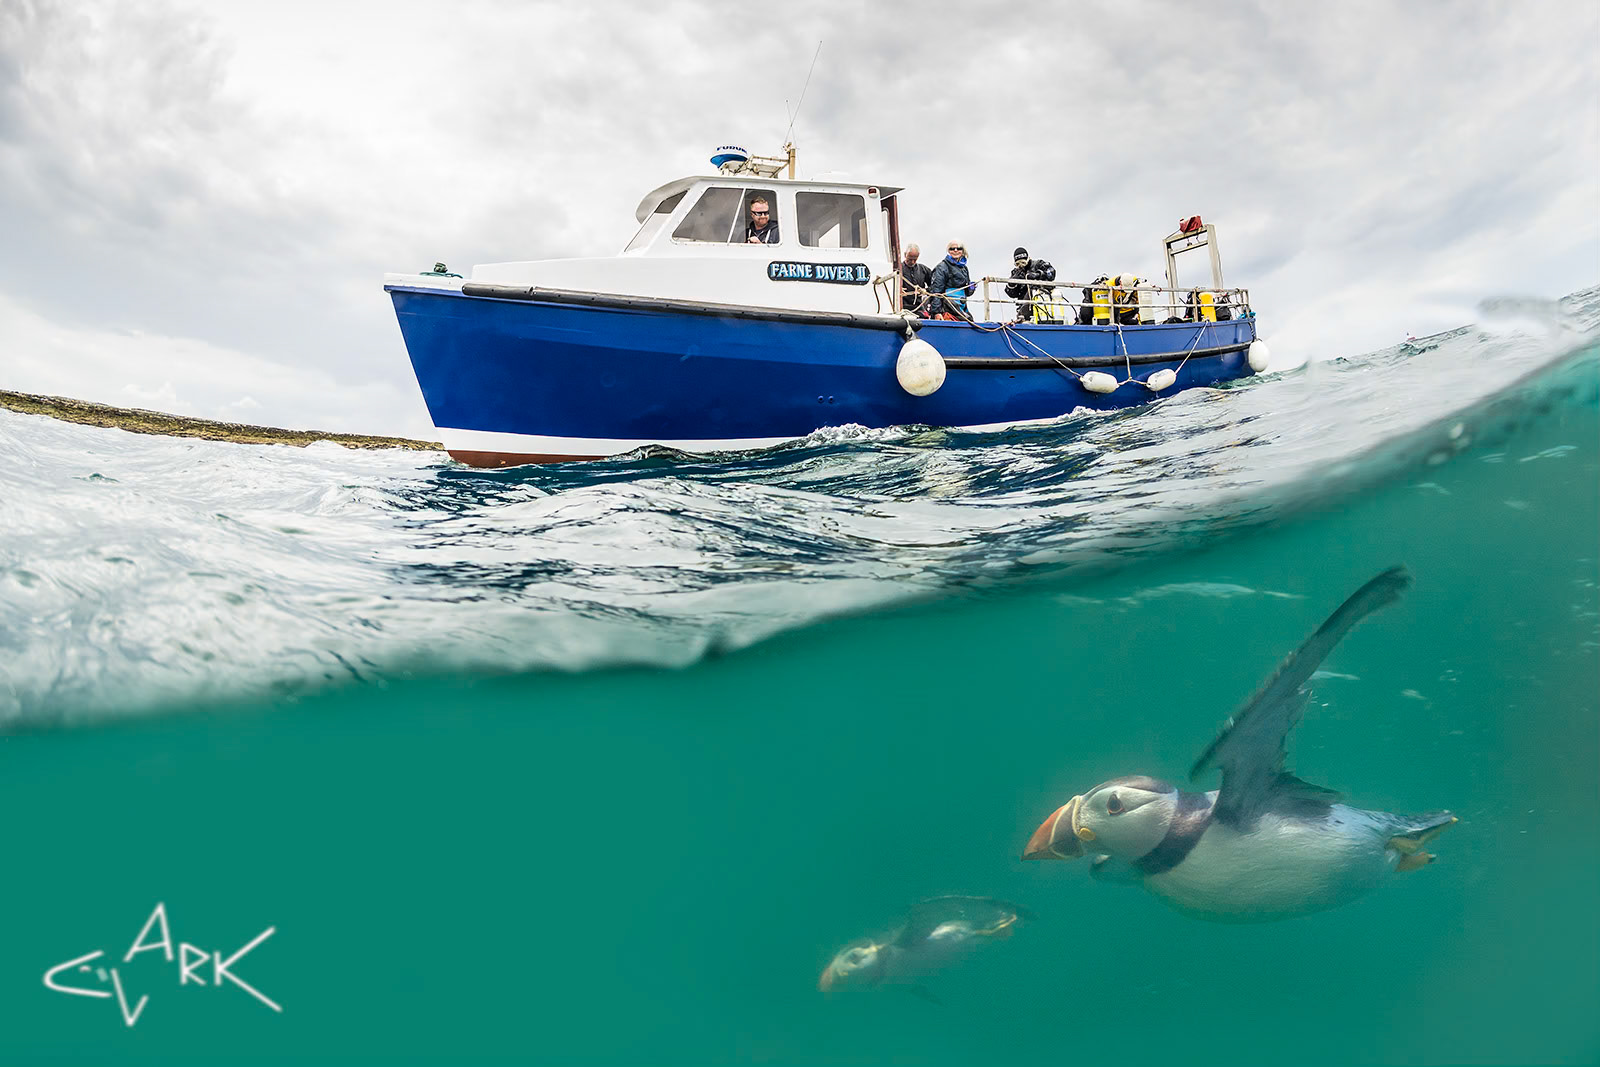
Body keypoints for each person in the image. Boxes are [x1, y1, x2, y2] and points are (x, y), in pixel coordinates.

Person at [1004, 246, 1057, 323]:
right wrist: (1013, 283)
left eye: (1023, 262)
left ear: (1028, 258)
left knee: (1033, 290)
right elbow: (1011, 293)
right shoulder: (1016, 272)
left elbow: (1051, 273)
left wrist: (1038, 275)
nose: (1021, 265)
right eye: (1017, 264)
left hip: (1043, 305)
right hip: (1024, 310)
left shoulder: (1038, 264)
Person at [926, 240, 974, 320]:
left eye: (959, 248)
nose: (955, 250)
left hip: (962, 305)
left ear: (963, 251)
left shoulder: (964, 268)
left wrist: (971, 288)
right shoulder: (942, 267)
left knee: (970, 322)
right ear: (948, 251)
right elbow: (936, 290)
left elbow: (967, 292)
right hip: (948, 306)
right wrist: (936, 312)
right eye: (952, 248)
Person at [899, 244, 933, 314]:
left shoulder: (923, 269)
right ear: (905, 255)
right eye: (910, 259)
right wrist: (898, 290)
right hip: (902, 307)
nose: (912, 262)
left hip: (919, 307)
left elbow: (935, 285)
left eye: (915, 259)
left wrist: (926, 290)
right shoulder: (898, 269)